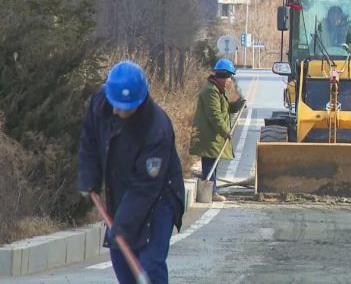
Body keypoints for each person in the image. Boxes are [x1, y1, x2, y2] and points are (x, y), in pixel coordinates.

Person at [77, 61, 185, 284]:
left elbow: (145, 187)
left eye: (126, 107)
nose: (119, 111)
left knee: (149, 264)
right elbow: (89, 140)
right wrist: (89, 177)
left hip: (159, 197)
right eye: (116, 104)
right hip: (121, 189)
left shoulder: (157, 128)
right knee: (123, 265)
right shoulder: (99, 103)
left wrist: (121, 226)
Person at [190, 58, 245, 202]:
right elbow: (214, 115)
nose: (230, 80)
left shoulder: (218, 89)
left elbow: (225, 109)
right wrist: (225, 131)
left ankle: (212, 189)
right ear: (222, 76)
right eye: (229, 77)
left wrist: (238, 104)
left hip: (213, 134)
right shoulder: (210, 91)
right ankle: (211, 192)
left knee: (212, 161)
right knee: (209, 161)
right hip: (209, 134)